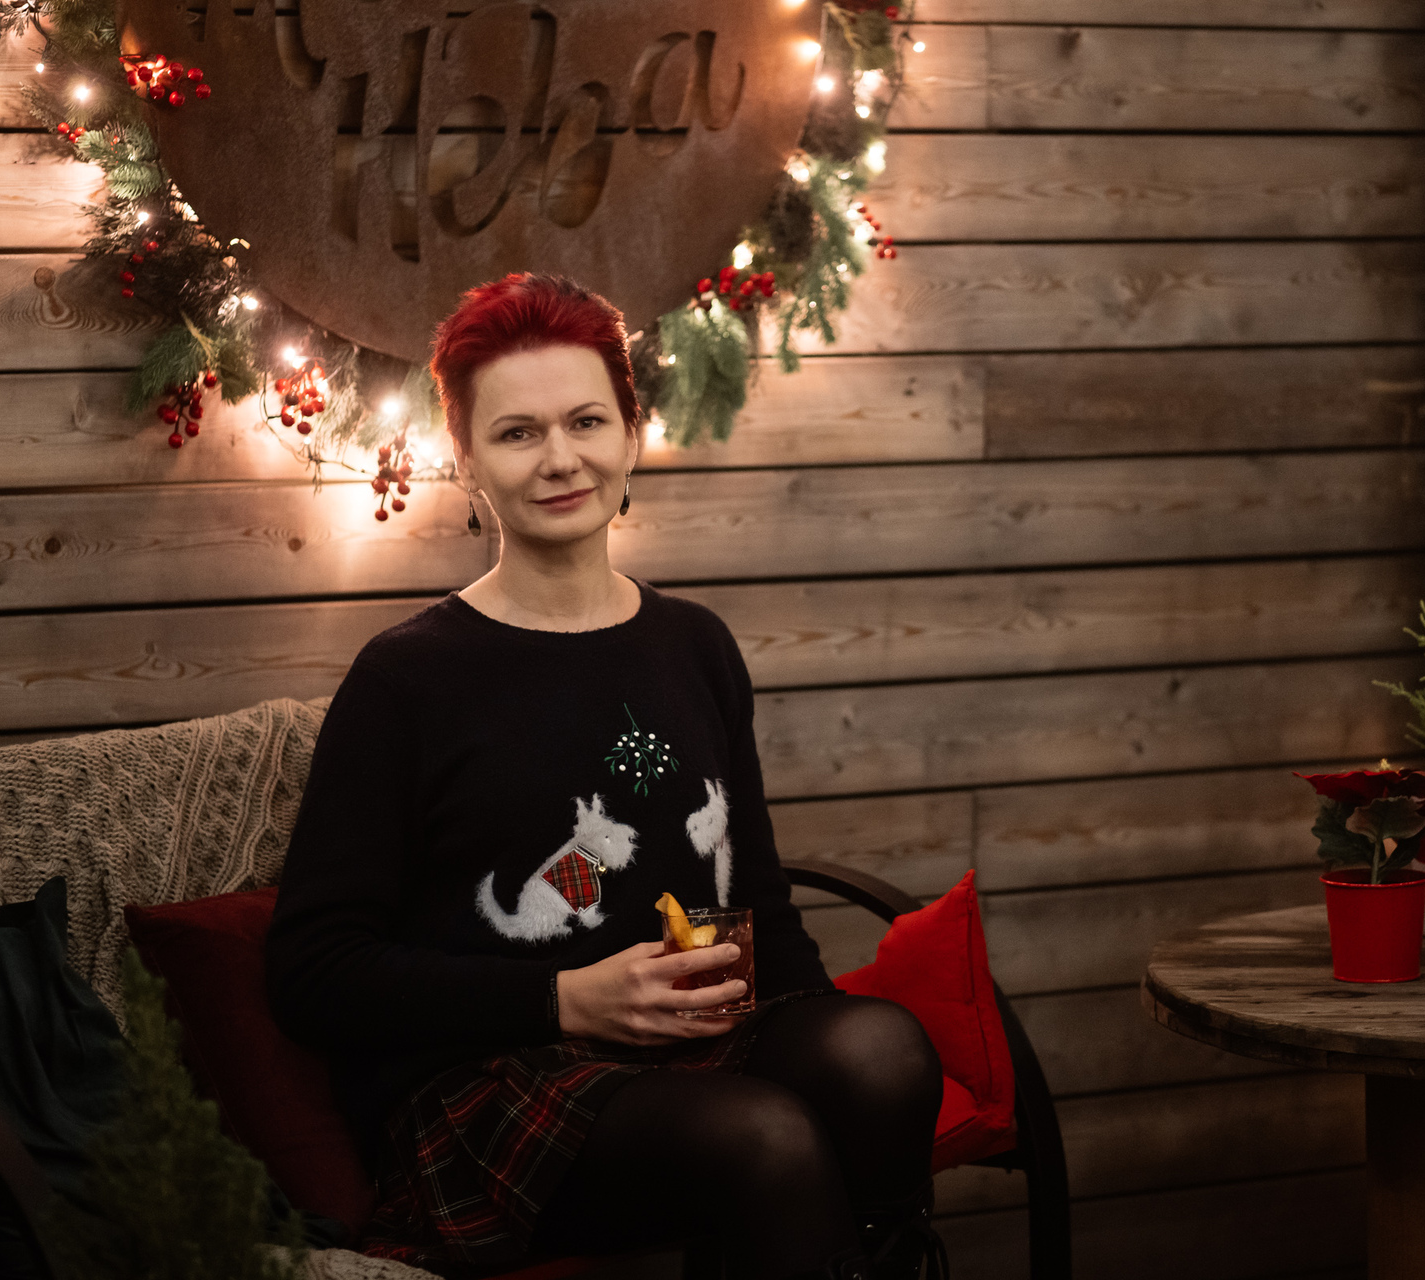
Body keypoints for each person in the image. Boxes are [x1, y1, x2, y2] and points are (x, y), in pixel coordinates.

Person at [265, 273, 946, 1280]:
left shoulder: (695, 646)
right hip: (493, 1081)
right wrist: (564, 1000)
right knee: (761, 1136)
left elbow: (757, 903)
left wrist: (816, 1035)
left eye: (586, 421)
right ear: (466, 458)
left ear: (631, 432)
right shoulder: (406, 679)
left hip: (693, 1047)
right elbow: (314, 970)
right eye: (518, 432)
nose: (560, 458)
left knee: (882, 1052)